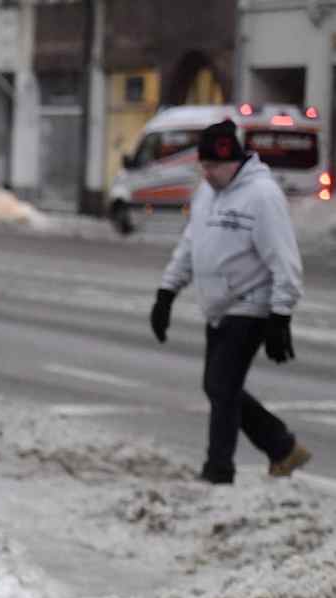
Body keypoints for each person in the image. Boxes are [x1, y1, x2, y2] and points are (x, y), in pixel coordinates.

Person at [151, 119, 312, 484]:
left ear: (233, 161)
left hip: (250, 304)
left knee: (221, 386)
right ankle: (281, 447)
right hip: (218, 307)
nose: (206, 174)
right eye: (202, 166)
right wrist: (167, 292)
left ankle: (218, 470)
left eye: (213, 166)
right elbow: (191, 245)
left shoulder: (262, 196)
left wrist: (280, 314)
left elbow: (284, 259)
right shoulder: (207, 193)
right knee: (219, 386)